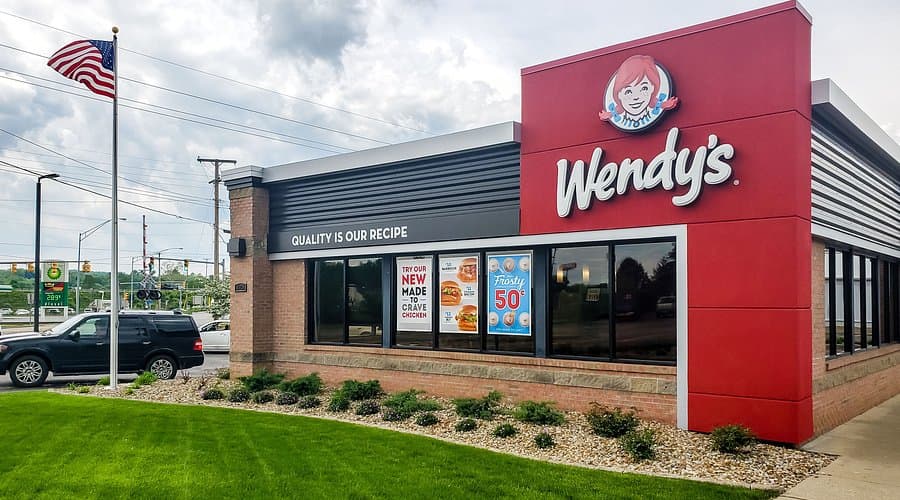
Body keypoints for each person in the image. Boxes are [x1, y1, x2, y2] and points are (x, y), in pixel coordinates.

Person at [599, 55, 679, 130]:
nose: (636, 97)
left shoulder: (656, 106)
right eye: (628, 91)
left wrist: (665, 105)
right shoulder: (617, 115)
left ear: (652, 88)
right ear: (618, 94)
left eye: (644, 88)